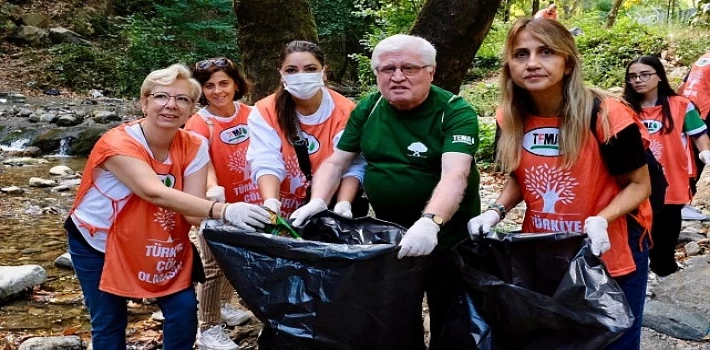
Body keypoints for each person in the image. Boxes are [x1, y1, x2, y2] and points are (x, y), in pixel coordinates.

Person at [467, 19, 651, 350]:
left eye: (546, 52)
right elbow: (518, 178)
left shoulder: (606, 113)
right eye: (521, 54)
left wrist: (601, 220)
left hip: (607, 245)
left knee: (614, 340)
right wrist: (494, 211)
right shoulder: (508, 116)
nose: (532, 63)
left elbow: (640, 185)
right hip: (545, 246)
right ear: (510, 66)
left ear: (567, 63)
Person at [290, 34, 480, 349]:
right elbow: (337, 162)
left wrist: (431, 221)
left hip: (448, 237)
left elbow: (455, 174)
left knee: (450, 315)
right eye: (387, 69)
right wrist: (319, 201)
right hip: (389, 237)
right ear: (377, 74)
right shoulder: (370, 106)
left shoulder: (454, 110)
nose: (398, 76)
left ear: (430, 71)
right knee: (394, 315)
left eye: (409, 67)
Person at [65, 64, 271, 350]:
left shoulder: (195, 144)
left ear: (191, 110)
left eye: (182, 99)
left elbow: (192, 211)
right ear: (144, 102)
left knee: (183, 310)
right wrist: (225, 211)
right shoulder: (117, 142)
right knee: (109, 321)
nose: (171, 106)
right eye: (161, 97)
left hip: (159, 244)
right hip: (100, 244)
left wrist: (237, 225)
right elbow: (154, 192)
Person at [246, 40, 365, 219]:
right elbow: (265, 159)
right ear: (281, 74)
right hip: (284, 203)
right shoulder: (265, 110)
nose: (301, 76)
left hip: (329, 203)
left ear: (324, 72)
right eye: (291, 70)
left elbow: (350, 163)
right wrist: (271, 202)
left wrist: (344, 203)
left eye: (310, 69)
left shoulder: (346, 111)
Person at [184, 57, 254, 350]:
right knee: (213, 267)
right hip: (215, 204)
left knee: (235, 259)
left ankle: (224, 305)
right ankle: (207, 328)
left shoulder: (253, 114)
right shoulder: (199, 123)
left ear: (236, 84)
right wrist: (214, 191)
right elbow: (203, 163)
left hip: (251, 200)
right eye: (209, 86)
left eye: (224, 83)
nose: (217, 91)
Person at [624, 55, 710, 276]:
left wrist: (705, 153)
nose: (638, 80)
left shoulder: (681, 105)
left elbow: (699, 134)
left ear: (659, 76)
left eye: (645, 74)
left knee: (665, 236)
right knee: (635, 236)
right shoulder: (624, 108)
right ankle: (637, 277)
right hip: (634, 184)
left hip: (671, 183)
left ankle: (664, 278)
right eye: (632, 76)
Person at [678, 52, 710, 219]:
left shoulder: (703, 58)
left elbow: (682, 86)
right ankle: (681, 203)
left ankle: (684, 202)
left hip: (689, 108)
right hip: (703, 111)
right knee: (697, 159)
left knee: (691, 157)